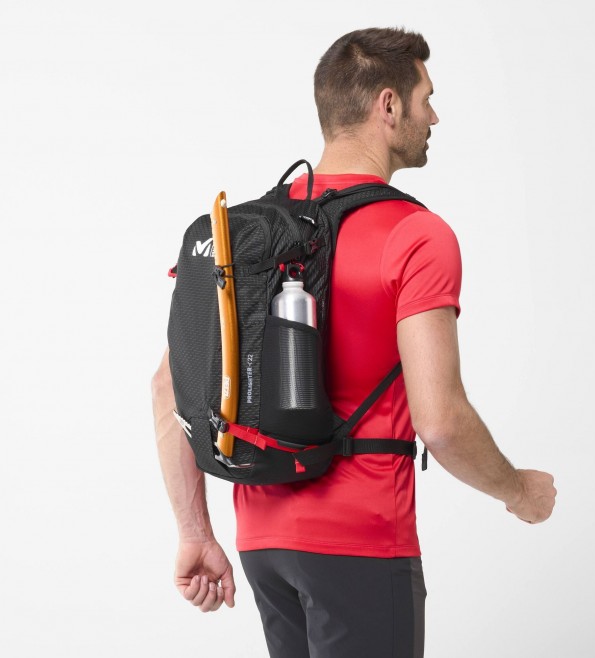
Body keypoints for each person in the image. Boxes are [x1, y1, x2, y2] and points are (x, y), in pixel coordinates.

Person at [152, 27, 557, 658]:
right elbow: (440, 422)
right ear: (388, 105)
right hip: (362, 544)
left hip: (262, 544)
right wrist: (520, 491)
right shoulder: (416, 235)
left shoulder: (250, 232)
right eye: (427, 98)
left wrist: (194, 532)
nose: (434, 117)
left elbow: (168, 388)